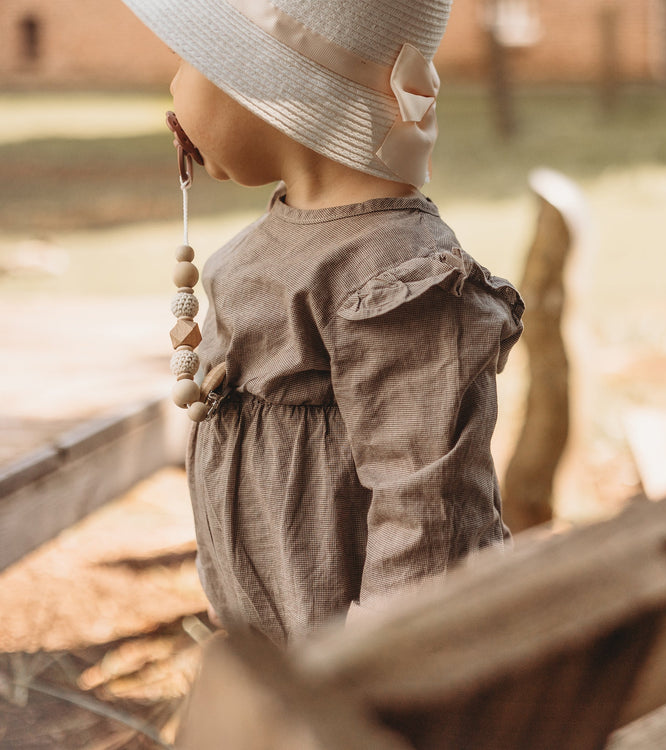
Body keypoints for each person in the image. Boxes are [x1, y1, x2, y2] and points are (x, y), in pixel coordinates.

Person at [122, 0, 524, 646]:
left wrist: (357, 680)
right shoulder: (285, 241)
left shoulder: (396, 279)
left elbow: (429, 523)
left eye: (188, 60)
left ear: (270, 81)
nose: (171, 86)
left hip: (368, 688)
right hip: (286, 658)